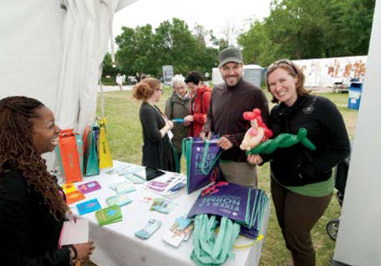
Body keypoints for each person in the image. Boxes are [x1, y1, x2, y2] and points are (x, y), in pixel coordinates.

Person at [248, 59, 350, 266]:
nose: (278, 88)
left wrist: (307, 171)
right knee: (287, 230)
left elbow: (341, 148)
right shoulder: (276, 112)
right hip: (280, 182)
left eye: (282, 80)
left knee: (298, 238)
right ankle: (294, 261)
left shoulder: (321, 106)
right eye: (272, 84)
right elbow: (275, 145)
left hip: (310, 188)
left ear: (295, 78)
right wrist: (261, 157)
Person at [0, 96, 94, 266]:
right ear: (23, 134)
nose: (58, 129)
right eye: (50, 126)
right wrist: (71, 254)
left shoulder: (28, 164)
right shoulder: (10, 187)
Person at [202, 47, 269, 187]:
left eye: (235, 67)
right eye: (226, 68)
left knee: (241, 206)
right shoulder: (216, 91)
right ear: (220, 69)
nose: (231, 72)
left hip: (240, 165)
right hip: (214, 160)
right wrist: (207, 128)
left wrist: (234, 139)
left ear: (242, 67)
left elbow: (264, 131)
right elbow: (210, 115)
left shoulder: (255, 93)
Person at [132, 78, 178, 172]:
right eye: (161, 90)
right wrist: (167, 126)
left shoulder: (153, 107)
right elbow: (155, 136)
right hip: (155, 156)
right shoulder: (146, 109)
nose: (161, 93)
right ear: (154, 90)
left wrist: (166, 123)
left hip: (162, 152)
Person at [165, 74, 191, 164]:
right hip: (176, 138)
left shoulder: (193, 97)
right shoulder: (170, 101)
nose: (181, 90)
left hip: (190, 136)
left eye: (182, 87)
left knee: (191, 165)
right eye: (177, 88)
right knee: (175, 164)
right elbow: (167, 119)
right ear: (173, 89)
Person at [184, 71, 211, 137]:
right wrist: (189, 121)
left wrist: (193, 118)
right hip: (196, 136)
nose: (191, 90)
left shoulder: (206, 95)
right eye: (189, 88)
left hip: (204, 137)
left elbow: (212, 118)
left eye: (192, 87)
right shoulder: (194, 96)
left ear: (199, 83)